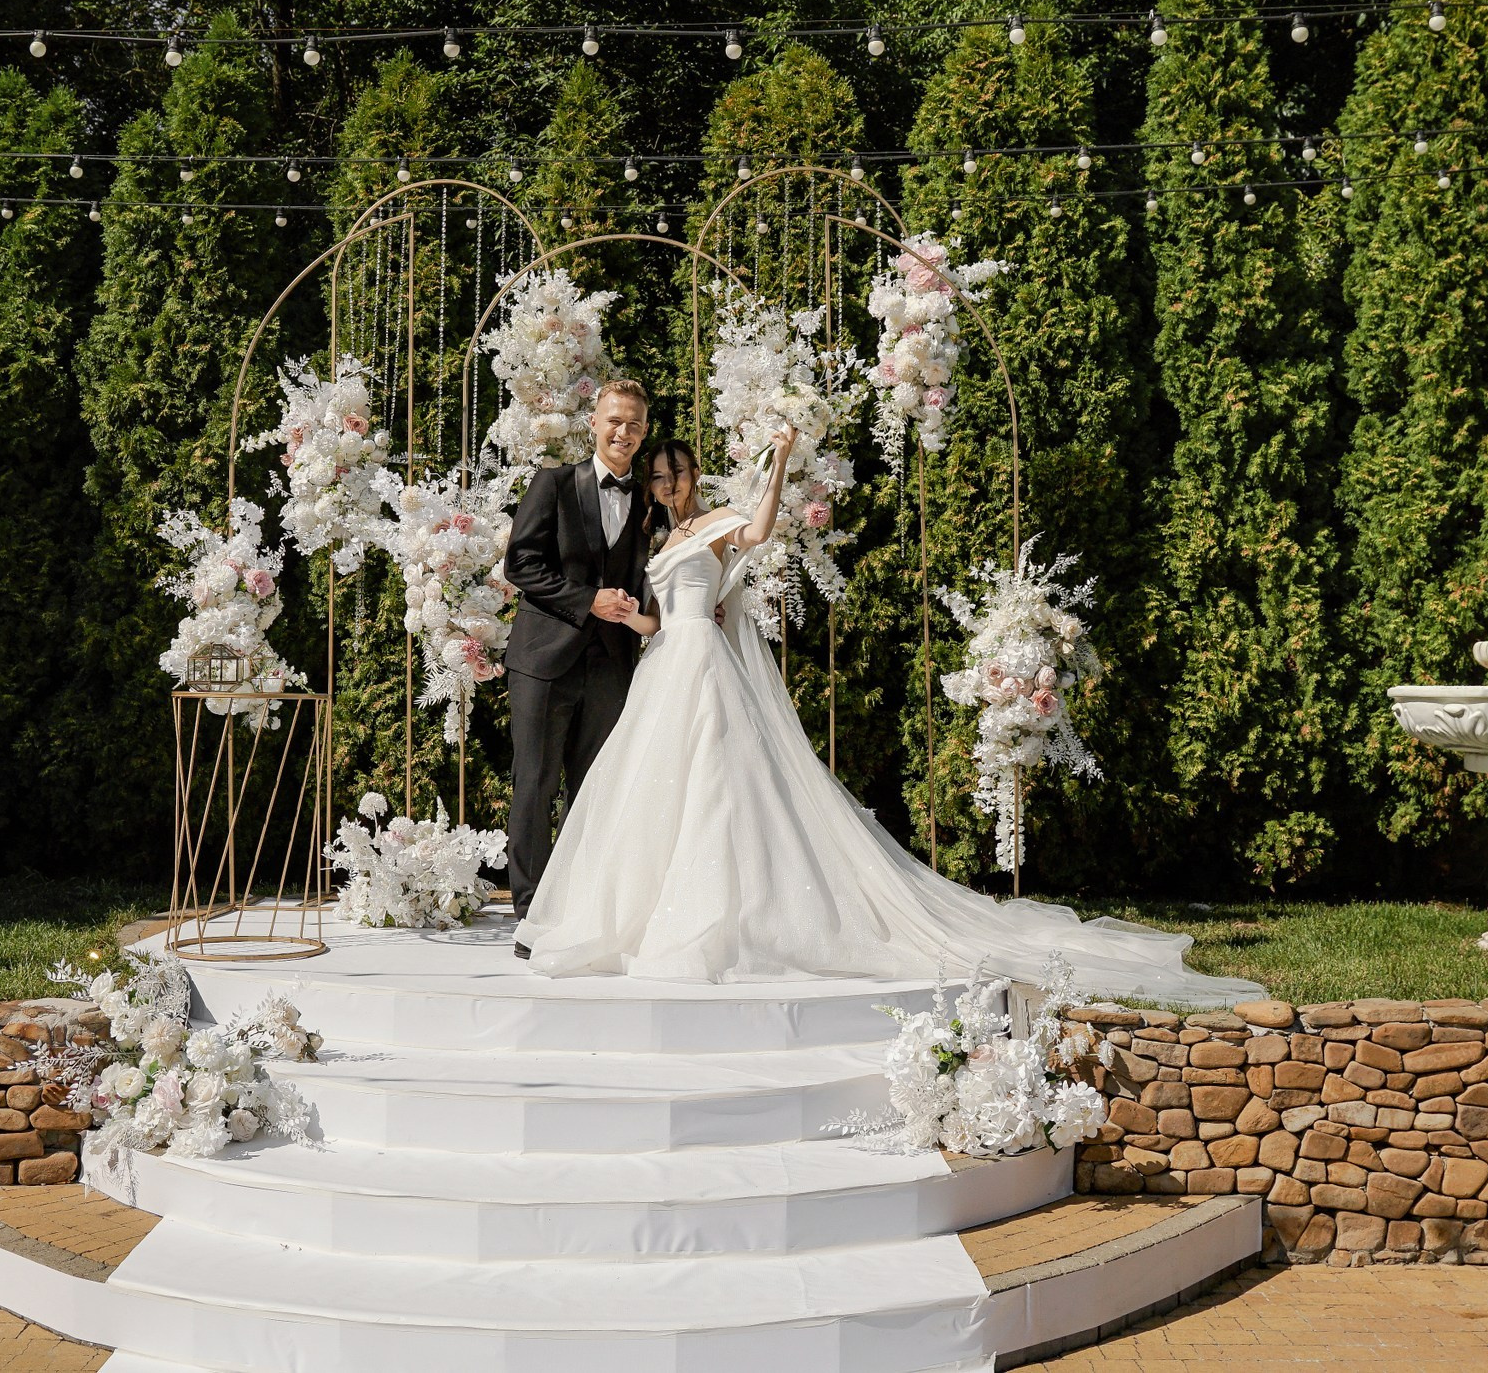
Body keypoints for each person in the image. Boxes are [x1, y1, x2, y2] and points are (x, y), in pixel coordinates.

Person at [513, 433, 1264, 1005]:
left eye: (675, 474)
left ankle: (721, 916)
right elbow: (652, 615)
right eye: (659, 476)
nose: (667, 483)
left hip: (704, 665)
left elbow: (763, 532)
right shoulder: (654, 541)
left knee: (717, 782)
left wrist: (777, 465)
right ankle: (646, 909)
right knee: (652, 792)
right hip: (663, 662)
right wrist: (623, 617)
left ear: (692, 478)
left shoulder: (713, 522)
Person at [498, 379, 653, 953]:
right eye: (615, 420)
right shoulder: (555, 484)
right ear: (594, 421)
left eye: (635, 424)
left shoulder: (647, 501)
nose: (624, 432)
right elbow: (521, 564)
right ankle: (531, 916)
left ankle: (583, 908)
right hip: (544, 660)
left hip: (613, 663)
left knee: (594, 790)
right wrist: (586, 599)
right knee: (535, 784)